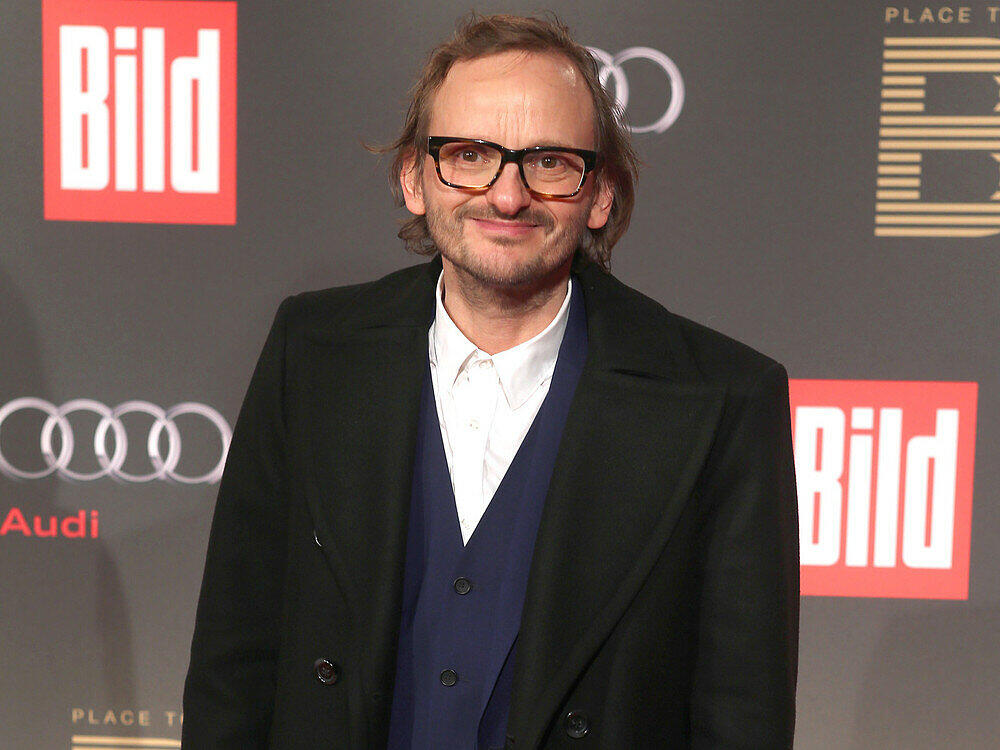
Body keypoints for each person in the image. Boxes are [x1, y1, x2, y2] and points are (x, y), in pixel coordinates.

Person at [182, 13, 799, 750]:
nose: (507, 197)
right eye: (470, 155)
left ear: (601, 193)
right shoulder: (313, 352)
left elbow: (742, 715)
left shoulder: (724, 400)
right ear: (413, 178)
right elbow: (234, 663)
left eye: (549, 162)